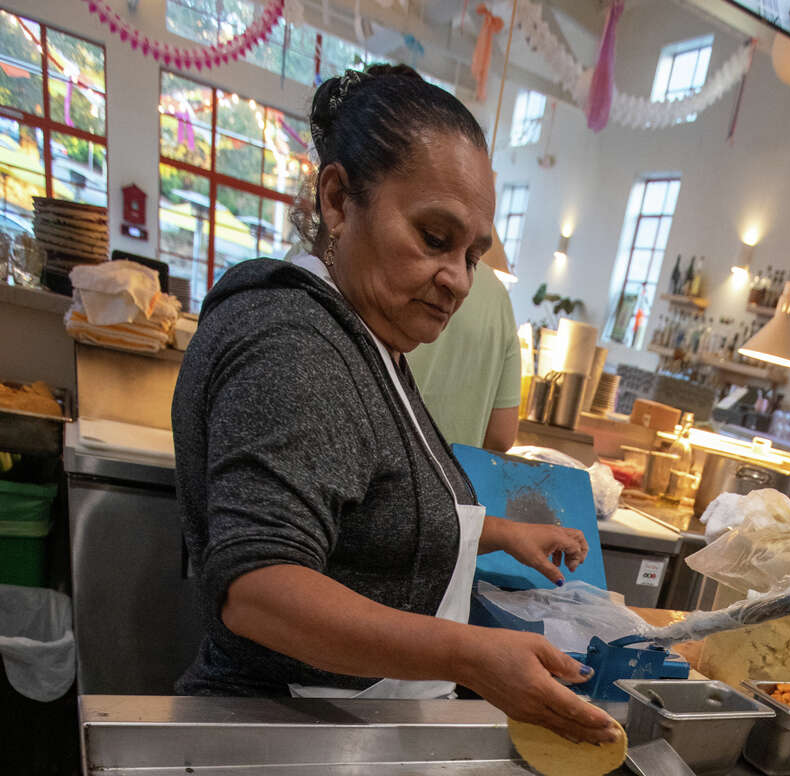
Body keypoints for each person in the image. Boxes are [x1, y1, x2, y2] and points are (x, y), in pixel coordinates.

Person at [171, 64, 618, 745]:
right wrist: (466, 653)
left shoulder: (365, 335)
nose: (459, 281)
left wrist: (499, 534)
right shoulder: (293, 343)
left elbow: (372, 510)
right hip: (292, 730)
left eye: (473, 254)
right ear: (339, 200)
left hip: (350, 724)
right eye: (435, 239)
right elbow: (260, 587)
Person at [406, 234, 521, 451]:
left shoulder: (399, 268)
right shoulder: (498, 296)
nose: (460, 286)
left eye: (472, 262)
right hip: (455, 478)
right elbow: (501, 437)